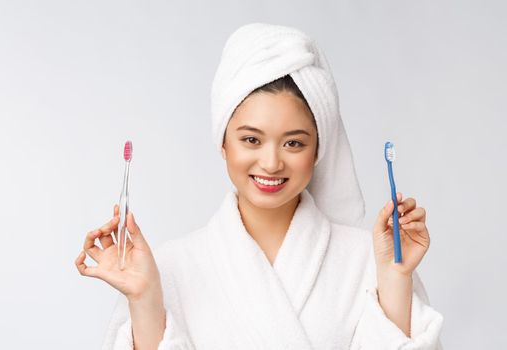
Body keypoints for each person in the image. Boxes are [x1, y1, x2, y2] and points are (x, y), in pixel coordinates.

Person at [75, 23, 444, 350]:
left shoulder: (369, 259)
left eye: (294, 143)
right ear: (223, 143)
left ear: (318, 150)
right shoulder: (169, 266)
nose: (271, 162)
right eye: (251, 140)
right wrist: (144, 298)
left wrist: (395, 280)